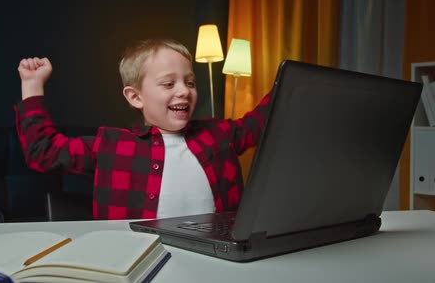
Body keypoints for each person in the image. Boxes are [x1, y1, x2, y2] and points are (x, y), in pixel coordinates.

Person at [16, 39, 270, 220]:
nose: (184, 90)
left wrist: (292, 85)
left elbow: (262, 120)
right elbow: (44, 151)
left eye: (190, 82)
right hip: (137, 261)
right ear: (135, 97)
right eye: (168, 83)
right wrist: (32, 86)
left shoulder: (219, 134)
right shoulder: (112, 146)